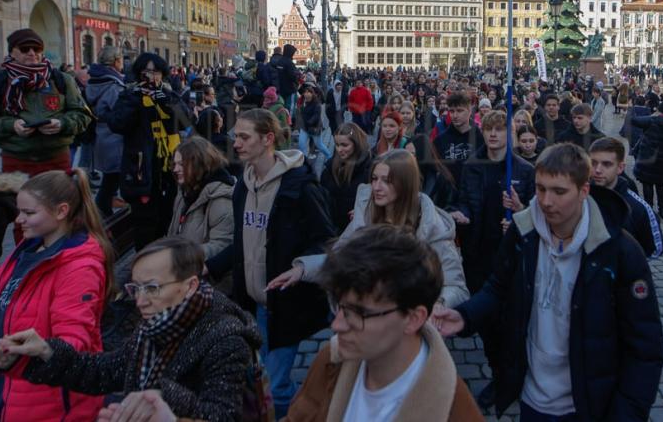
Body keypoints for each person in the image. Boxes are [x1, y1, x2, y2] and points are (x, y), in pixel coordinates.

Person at [433, 144, 663, 420]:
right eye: (541, 189)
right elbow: (498, 288)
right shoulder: (523, 234)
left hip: (589, 404)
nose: (546, 201)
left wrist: (626, 414)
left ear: (584, 191)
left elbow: (645, 348)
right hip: (533, 398)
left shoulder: (620, 252)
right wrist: (464, 316)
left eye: (559, 191)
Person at [0, 237, 261, 422]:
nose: (140, 301)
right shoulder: (157, 324)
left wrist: (162, 399)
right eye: (136, 288)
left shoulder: (226, 340)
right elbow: (107, 371)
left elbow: (221, 415)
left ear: (190, 286)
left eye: (152, 288)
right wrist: (46, 351)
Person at [205, 108, 334, 418]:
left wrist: (302, 267)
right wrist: (210, 266)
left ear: (268, 139)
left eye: (244, 137)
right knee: (261, 380)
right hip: (252, 301)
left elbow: (326, 239)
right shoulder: (242, 185)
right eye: (236, 135)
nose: (236, 143)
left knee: (275, 385)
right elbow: (243, 240)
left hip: (284, 304)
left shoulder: (300, 186)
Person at [283, 225, 485, 422]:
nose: (337, 325)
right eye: (341, 307)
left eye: (359, 313)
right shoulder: (331, 360)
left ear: (413, 319)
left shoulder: (453, 410)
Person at [271, 149, 469, 310]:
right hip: (366, 323)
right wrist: (302, 269)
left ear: (406, 184)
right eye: (374, 179)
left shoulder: (431, 225)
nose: (377, 187)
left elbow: (456, 287)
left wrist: (438, 305)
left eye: (387, 181)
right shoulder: (366, 214)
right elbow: (341, 257)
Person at [0, 169, 113, 421]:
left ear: (61, 211)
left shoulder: (80, 268)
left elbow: (75, 339)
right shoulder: (30, 248)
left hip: (50, 405)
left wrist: (38, 349)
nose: (18, 219)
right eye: (20, 211)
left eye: (29, 213)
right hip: (10, 391)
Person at [451, 110, 535, 410]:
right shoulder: (472, 165)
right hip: (478, 253)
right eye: (489, 129)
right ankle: (499, 374)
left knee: (510, 323)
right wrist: (461, 214)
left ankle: (508, 376)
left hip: (511, 258)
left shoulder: (524, 169)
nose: (494, 135)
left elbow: (537, 215)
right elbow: (465, 200)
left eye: (500, 129)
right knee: (487, 323)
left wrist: (520, 213)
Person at [106, 53, 190, 251]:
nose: (151, 77)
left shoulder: (169, 95)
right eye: (146, 72)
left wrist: (166, 103)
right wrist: (136, 100)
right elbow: (117, 124)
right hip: (142, 169)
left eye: (155, 72)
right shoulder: (129, 96)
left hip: (169, 169)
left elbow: (186, 122)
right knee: (145, 225)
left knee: (168, 219)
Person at [0, 28, 92, 177]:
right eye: (24, 49)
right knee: (20, 200)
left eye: (36, 48)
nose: (32, 53)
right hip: (16, 161)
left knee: (59, 200)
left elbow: (83, 115)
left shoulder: (61, 79)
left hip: (57, 159)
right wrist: (12, 125)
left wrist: (62, 124)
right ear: (12, 52)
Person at [588, 137, 663, 258]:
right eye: (593, 163)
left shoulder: (638, 208)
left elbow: (656, 248)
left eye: (606, 164)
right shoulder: (579, 198)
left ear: (620, 168)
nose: (598, 170)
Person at [167, 136, 234, 262]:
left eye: (182, 164)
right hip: (184, 270)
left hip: (206, 276)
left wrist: (181, 256)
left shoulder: (220, 199)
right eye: (175, 164)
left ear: (200, 164)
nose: (175, 169)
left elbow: (221, 246)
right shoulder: (184, 192)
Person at [84, 46, 126, 216]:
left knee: (109, 178)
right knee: (112, 179)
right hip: (113, 135)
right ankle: (104, 212)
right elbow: (119, 111)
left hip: (101, 133)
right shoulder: (113, 84)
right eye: (121, 59)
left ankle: (104, 208)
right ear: (116, 61)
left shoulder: (95, 80)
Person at [631, 101, 663, 219]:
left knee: (647, 183)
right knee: (661, 185)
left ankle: (649, 207)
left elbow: (634, 120)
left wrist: (652, 115)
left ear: (659, 110)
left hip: (648, 157)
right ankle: (662, 210)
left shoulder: (651, 121)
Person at [320, 122, 372, 233]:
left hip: (356, 231)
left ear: (356, 144)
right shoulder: (329, 169)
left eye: (344, 145)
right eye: (337, 145)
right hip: (332, 228)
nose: (339, 149)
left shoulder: (369, 169)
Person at [433, 93, 484, 185]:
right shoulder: (440, 140)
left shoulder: (481, 139)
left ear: (469, 111)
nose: (455, 115)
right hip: (448, 195)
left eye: (460, 111)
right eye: (452, 111)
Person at [405, 133, 457, 209]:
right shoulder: (404, 174)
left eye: (413, 154)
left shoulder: (441, 179)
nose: (408, 159)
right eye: (406, 154)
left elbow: (449, 206)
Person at [296, 83, 333, 161]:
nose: (306, 94)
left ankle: (329, 157)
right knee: (301, 145)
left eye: (309, 92)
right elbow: (300, 114)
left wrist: (308, 122)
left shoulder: (317, 104)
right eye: (305, 92)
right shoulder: (302, 102)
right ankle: (305, 160)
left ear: (312, 94)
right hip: (304, 128)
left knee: (319, 145)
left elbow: (316, 117)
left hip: (314, 128)